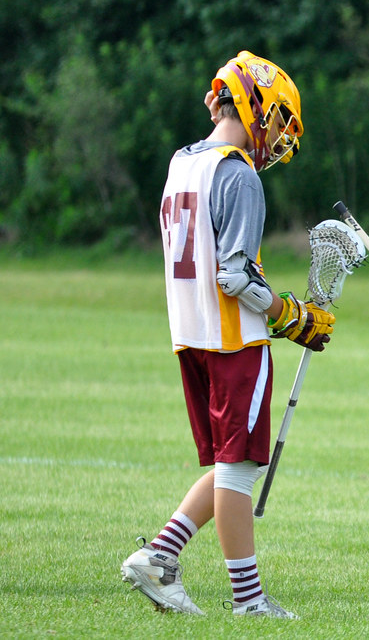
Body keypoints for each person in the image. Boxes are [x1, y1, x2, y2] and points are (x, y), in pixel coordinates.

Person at [121, 51, 334, 618]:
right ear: (254, 105)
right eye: (278, 119)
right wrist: (291, 317)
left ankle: (159, 556)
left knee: (230, 465)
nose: (278, 136)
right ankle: (249, 599)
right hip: (235, 341)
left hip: (191, 337)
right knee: (238, 471)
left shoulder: (181, 162)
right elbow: (235, 276)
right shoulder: (238, 173)